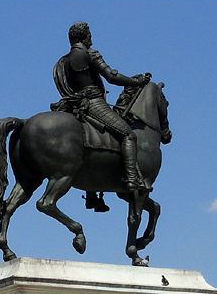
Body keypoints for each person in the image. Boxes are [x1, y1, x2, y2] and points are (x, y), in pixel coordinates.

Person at [52, 22, 151, 200]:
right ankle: (132, 178)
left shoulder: (63, 61)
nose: (91, 38)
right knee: (128, 134)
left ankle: (91, 194)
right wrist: (136, 82)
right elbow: (111, 76)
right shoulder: (90, 54)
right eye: (90, 35)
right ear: (84, 37)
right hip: (92, 103)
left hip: (73, 105)